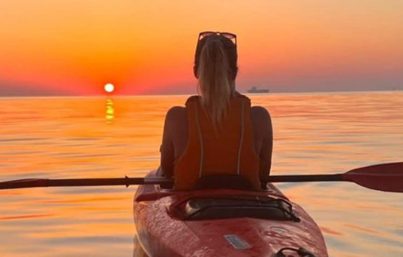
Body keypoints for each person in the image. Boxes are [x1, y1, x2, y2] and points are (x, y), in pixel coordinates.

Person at [159, 31, 272, 190]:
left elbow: (166, 172)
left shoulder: (176, 118)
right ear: (235, 72)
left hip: (192, 212)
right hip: (248, 207)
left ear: (196, 71)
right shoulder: (260, 117)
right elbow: (263, 177)